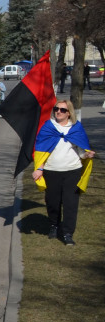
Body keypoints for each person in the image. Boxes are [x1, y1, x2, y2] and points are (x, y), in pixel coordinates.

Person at [33, 100, 96, 245]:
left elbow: (81, 151)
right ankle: (54, 225)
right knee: (53, 202)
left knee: (70, 203)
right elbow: (42, 151)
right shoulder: (48, 127)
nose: (58, 112)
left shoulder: (76, 128)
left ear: (69, 113)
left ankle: (68, 233)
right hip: (51, 171)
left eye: (62, 110)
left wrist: (87, 155)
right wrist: (39, 168)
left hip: (72, 171)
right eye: (56, 109)